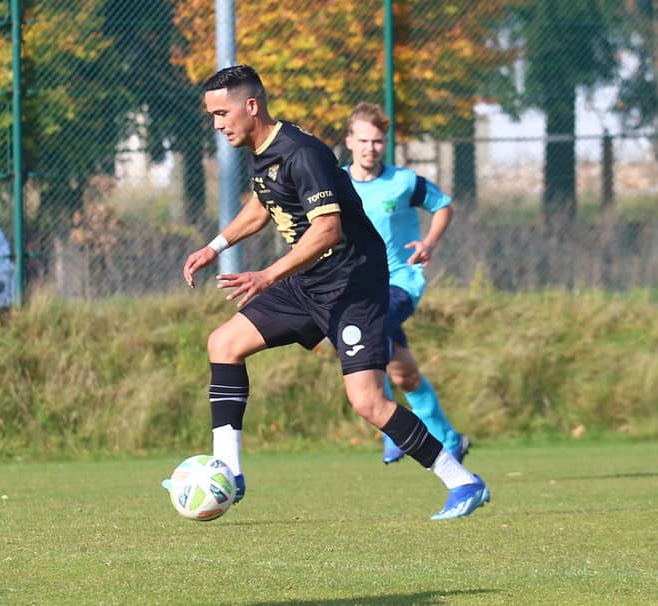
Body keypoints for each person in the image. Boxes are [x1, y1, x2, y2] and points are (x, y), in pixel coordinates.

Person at [173, 65, 489, 520]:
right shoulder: (262, 151)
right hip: (309, 282)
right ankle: (230, 472)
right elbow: (263, 205)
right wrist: (215, 246)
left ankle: (463, 481)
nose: (217, 124)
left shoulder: (302, 153)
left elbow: (327, 230)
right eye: (212, 116)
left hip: (352, 285)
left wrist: (267, 276)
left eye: (222, 114)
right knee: (223, 344)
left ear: (251, 106)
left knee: (368, 402)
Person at [343, 102, 469, 465]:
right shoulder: (336, 184)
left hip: (401, 280)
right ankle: (449, 438)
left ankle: (393, 431)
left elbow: (443, 205)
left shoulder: (403, 182)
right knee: (404, 373)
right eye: (363, 140)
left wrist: (429, 243)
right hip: (357, 288)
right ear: (349, 141)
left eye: (377, 141)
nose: (370, 148)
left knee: (370, 329)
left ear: (385, 143)